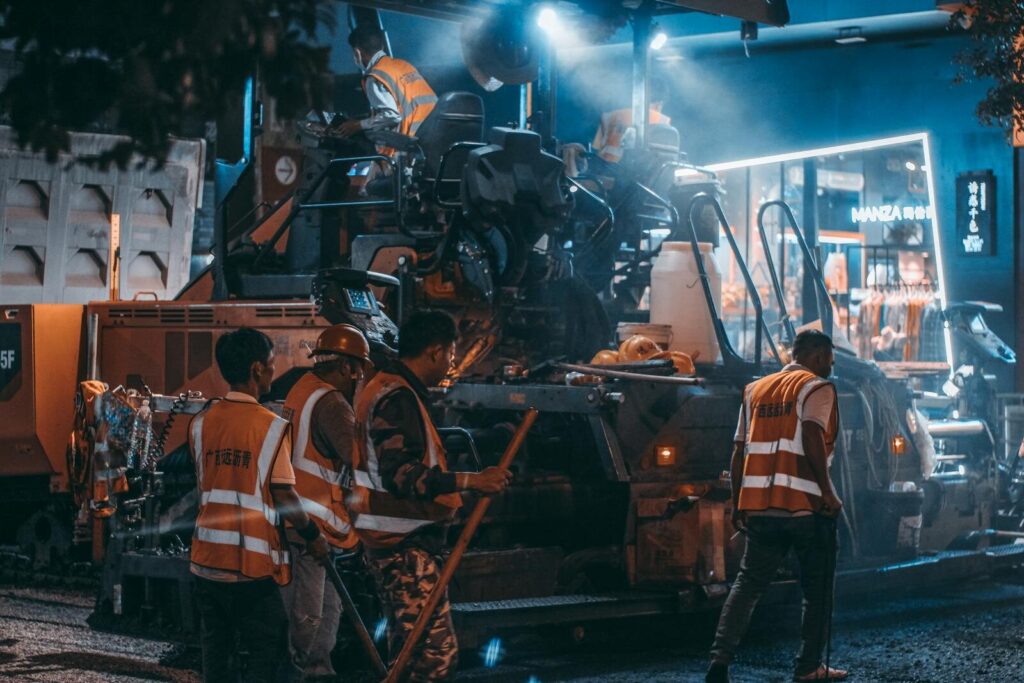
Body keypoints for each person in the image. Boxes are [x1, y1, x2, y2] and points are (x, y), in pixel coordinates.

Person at [348, 310, 512, 681]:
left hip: (392, 541)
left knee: (407, 656)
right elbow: (403, 475)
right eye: (452, 353)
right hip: (404, 546)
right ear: (436, 351)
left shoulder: (384, 387)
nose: (452, 362)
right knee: (436, 657)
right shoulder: (396, 397)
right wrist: (473, 481)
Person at [706, 330, 849, 683]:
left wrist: (738, 500)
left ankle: (719, 661)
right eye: (830, 359)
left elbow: (739, 449)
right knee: (817, 590)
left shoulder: (755, 390)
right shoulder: (817, 388)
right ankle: (808, 667)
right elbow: (812, 436)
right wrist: (828, 493)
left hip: (760, 509)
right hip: (804, 508)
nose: (831, 367)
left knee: (747, 586)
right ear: (817, 357)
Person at [189, 327, 329, 683]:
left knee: (216, 656)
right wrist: (313, 535)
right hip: (248, 566)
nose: (274, 369)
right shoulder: (269, 427)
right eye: (270, 363)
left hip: (205, 562)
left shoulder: (201, 422)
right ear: (256, 370)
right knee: (268, 651)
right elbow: (284, 496)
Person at [281, 324, 372, 681]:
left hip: (304, 518)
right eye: (359, 368)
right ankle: (303, 673)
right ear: (347, 366)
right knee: (309, 617)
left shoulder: (302, 389)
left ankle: (319, 671)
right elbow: (360, 459)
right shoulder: (332, 402)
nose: (360, 377)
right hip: (311, 526)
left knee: (326, 614)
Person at [337, 23, 437, 156]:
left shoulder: (375, 77)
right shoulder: (403, 65)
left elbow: (392, 115)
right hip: (435, 132)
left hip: (412, 144)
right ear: (382, 47)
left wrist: (357, 125)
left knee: (370, 173)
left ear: (357, 52)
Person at [591, 76, 672, 165]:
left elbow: (596, 147)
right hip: (639, 174)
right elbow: (663, 157)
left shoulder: (609, 116)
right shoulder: (663, 121)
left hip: (603, 170)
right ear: (660, 103)